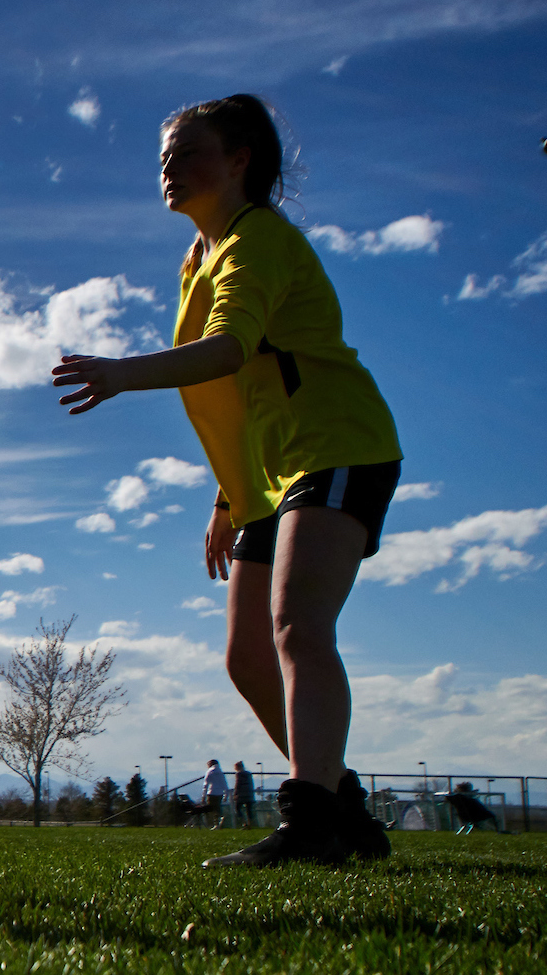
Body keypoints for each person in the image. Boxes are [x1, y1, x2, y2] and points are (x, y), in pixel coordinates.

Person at [54, 95, 403, 869]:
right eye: (162, 159)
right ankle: (345, 807)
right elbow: (238, 400)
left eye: (186, 153)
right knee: (247, 658)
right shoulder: (197, 259)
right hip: (269, 475)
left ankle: (310, 822)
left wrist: (118, 374)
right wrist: (226, 495)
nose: (168, 170)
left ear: (240, 158)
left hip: (339, 443)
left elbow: (227, 352)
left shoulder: (259, 242)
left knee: (298, 626)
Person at [200, 759, 229, 828]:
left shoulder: (209, 772)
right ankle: (219, 820)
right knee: (218, 808)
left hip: (211, 792)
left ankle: (215, 823)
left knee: (211, 809)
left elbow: (206, 785)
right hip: (220, 793)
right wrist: (226, 795)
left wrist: (203, 796)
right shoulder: (220, 772)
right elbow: (224, 784)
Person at [231, 761, 256, 830]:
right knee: (249, 810)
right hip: (249, 793)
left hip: (241, 794)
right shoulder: (248, 774)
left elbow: (238, 784)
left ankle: (244, 823)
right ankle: (250, 824)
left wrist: (235, 793)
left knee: (237, 808)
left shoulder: (239, 774)